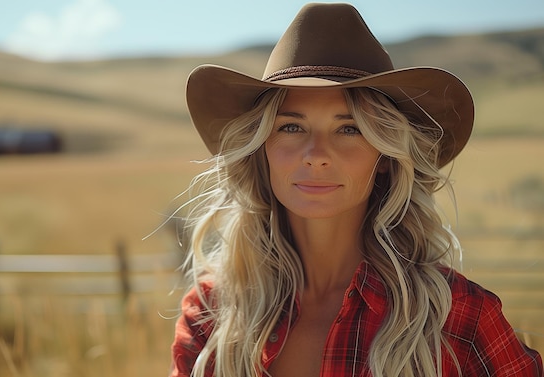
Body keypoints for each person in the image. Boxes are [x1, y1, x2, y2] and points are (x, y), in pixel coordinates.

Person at [169, 3, 543, 376]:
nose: (316, 156)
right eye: (291, 127)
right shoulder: (210, 315)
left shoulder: (458, 316)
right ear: (261, 148)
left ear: (384, 155)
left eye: (349, 129)